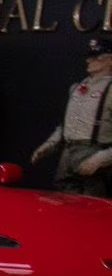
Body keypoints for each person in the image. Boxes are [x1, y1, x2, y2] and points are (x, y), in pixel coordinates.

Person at [31, 38, 112, 196]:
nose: (89, 61)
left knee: (92, 202)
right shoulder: (77, 88)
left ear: (110, 60)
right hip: (68, 153)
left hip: (93, 152)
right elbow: (66, 126)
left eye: (96, 57)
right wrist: (49, 145)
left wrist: (101, 158)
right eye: (89, 56)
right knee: (63, 195)